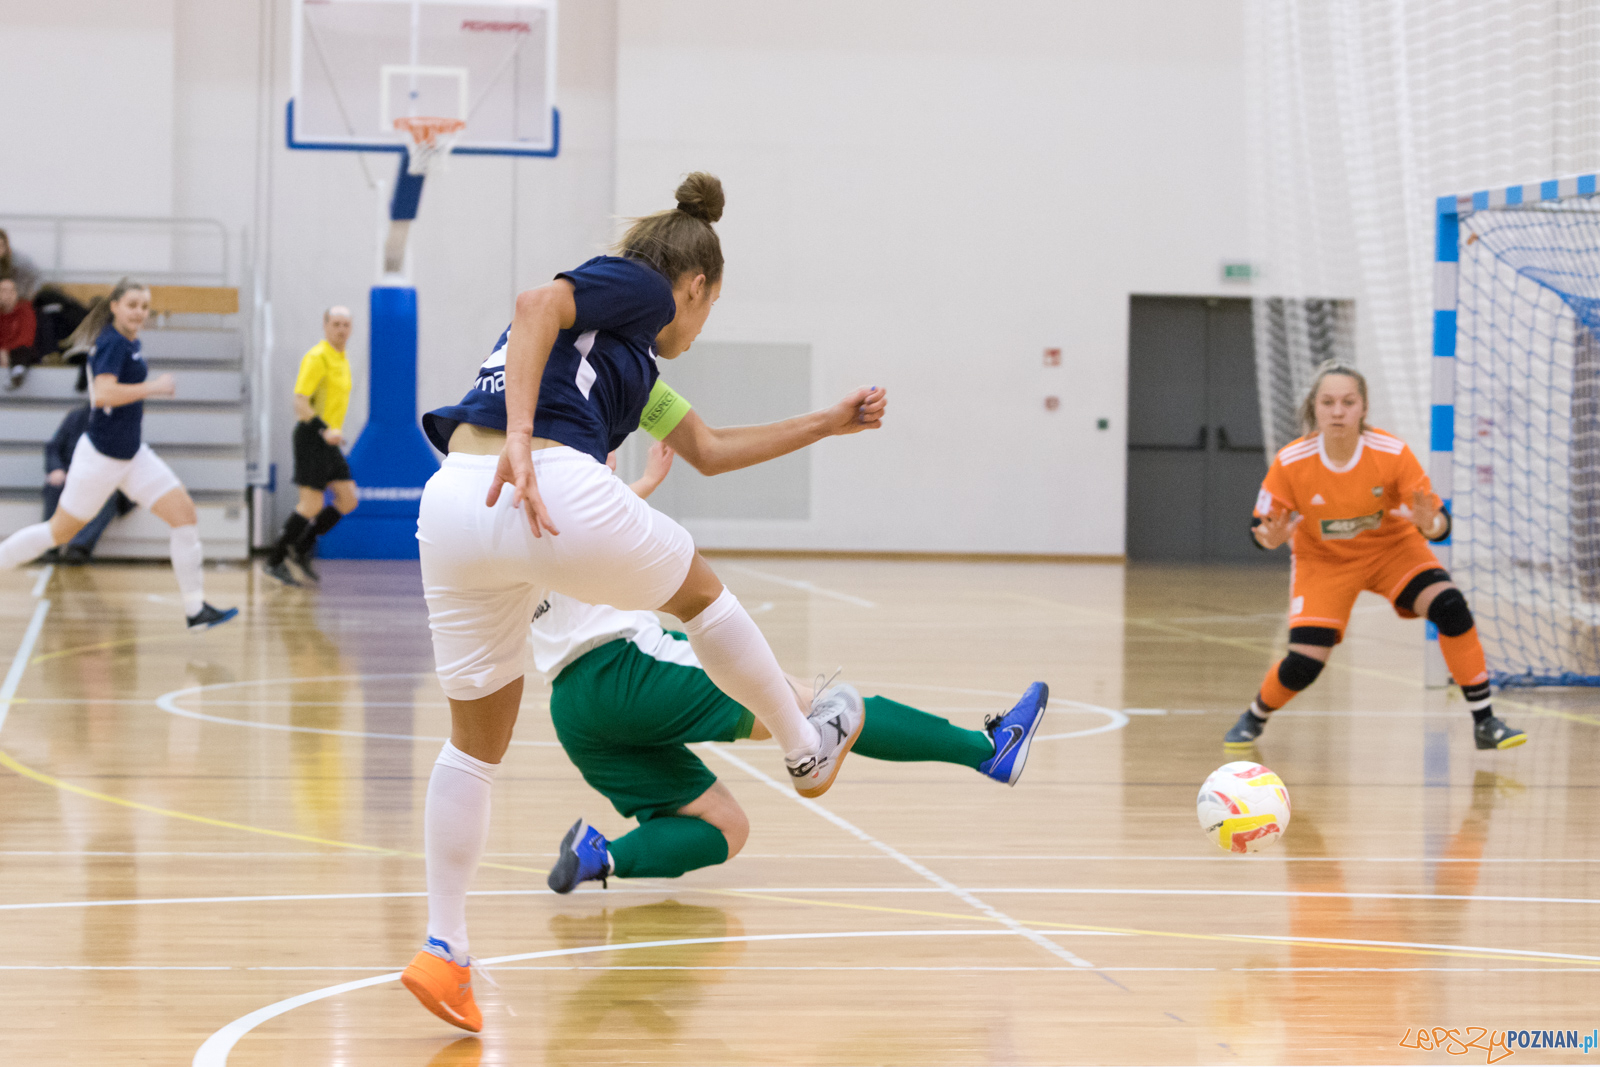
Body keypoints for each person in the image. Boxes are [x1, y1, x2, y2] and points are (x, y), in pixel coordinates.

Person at [401, 172, 888, 1032]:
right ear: (693, 286)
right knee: (704, 594)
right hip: (538, 475)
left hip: (453, 504)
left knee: (473, 747)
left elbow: (706, 447)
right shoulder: (638, 283)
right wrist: (523, 437)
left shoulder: (624, 356)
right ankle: (806, 748)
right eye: (707, 308)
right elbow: (531, 301)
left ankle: (445, 950)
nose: (696, 323)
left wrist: (827, 422)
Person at [542, 442, 1049, 893]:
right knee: (822, 708)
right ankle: (986, 751)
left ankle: (601, 856)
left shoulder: (510, 527)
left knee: (724, 827)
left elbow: (578, 533)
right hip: (628, 669)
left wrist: (642, 484)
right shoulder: (564, 481)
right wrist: (622, 476)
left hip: (573, 709)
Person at [1226, 360, 1524, 751]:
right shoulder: (1291, 462)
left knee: (1450, 606)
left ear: (1363, 408)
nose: (1337, 411)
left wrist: (1429, 523)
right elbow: (1260, 531)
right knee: (1305, 663)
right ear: (1314, 407)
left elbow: (1440, 524)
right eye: (1328, 402)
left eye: (1348, 402)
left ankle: (1485, 721)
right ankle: (1255, 715)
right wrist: (1271, 538)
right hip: (1323, 561)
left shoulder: (1390, 453)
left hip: (1391, 551)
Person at [0, 279, 238, 630]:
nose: (139, 312)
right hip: (100, 460)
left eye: (144, 306)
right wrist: (153, 388)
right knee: (57, 533)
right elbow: (105, 393)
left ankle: (194, 610)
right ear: (114, 306)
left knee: (184, 515)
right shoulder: (112, 343)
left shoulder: (129, 342)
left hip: (131, 456)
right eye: (132, 305)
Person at [263, 306, 359, 584]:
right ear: (326, 326)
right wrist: (324, 429)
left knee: (348, 499)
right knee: (311, 504)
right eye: (336, 324)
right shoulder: (317, 357)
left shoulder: (342, 358)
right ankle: (275, 559)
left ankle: (301, 547)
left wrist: (332, 433)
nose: (341, 329)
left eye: (346, 325)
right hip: (311, 437)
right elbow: (300, 403)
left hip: (330, 441)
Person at [43, 403, 134, 563]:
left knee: (110, 495)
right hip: (70, 475)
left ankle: (79, 547)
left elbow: (126, 457)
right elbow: (54, 447)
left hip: (103, 478)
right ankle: (51, 542)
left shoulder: (122, 421)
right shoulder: (76, 416)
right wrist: (56, 469)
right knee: (54, 485)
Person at [1, 274, 38, 389]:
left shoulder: (25, 310)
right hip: (3, 351)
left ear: (15, 294)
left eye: (9, 291)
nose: (5, 295)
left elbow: (26, 337)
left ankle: (18, 373)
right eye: (2, 291)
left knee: (23, 350)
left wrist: (5, 349)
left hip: (17, 351)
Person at [0, 229, 42, 300]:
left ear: (6, 246)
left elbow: (35, 279)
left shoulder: (19, 262)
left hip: (24, 293)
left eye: (1, 245)